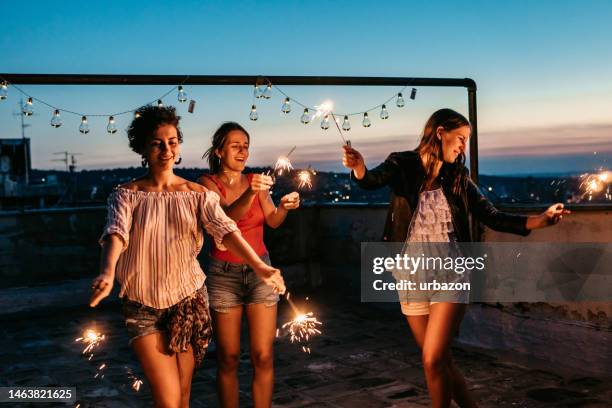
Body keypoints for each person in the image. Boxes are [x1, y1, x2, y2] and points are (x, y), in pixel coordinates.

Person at [342, 108, 569, 408]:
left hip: (451, 274)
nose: (464, 146)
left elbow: (491, 215)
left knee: (433, 358)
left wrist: (539, 220)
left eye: (466, 140)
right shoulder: (402, 163)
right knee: (440, 362)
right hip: (410, 276)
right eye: (461, 138)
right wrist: (359, 168)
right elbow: (372, 179)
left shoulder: (459, 177)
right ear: (440, 133)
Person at [89, 106, 285, 408]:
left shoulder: (196, 194)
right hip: (143, 307)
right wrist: (107, 271)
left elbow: (227, 230)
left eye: (172, 141)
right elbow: (116, 233)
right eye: (157, 142)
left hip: (188, 303)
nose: (166, 149)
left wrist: (260, 266)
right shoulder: (125, 194)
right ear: (143, 148)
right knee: (168, 401)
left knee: (182, 396)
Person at [198, 122, 300, 408]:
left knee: (263, 355)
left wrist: (285, 207)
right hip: (223, 274)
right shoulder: (207, 184)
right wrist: (251, 192)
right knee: (228, 358)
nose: (243, 151)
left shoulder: (256, 180)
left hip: (261, 273)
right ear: (219, 150)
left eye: (246, 145)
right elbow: (225, 221)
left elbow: (273, 221)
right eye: (236, 145)